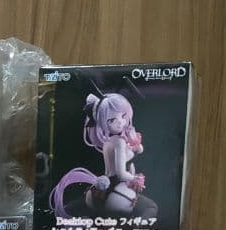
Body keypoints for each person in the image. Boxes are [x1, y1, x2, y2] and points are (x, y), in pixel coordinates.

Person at [49, 92, 157, 220]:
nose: (120, 122)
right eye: (112, 120)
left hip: (102, 188)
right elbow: (121, 174)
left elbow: (138, 149)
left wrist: (135, 145)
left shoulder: (108, 141)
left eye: (123, 116)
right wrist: (135, 178)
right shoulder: (119, 142)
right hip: (118, 187)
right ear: (103, 123)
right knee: (151, 207)